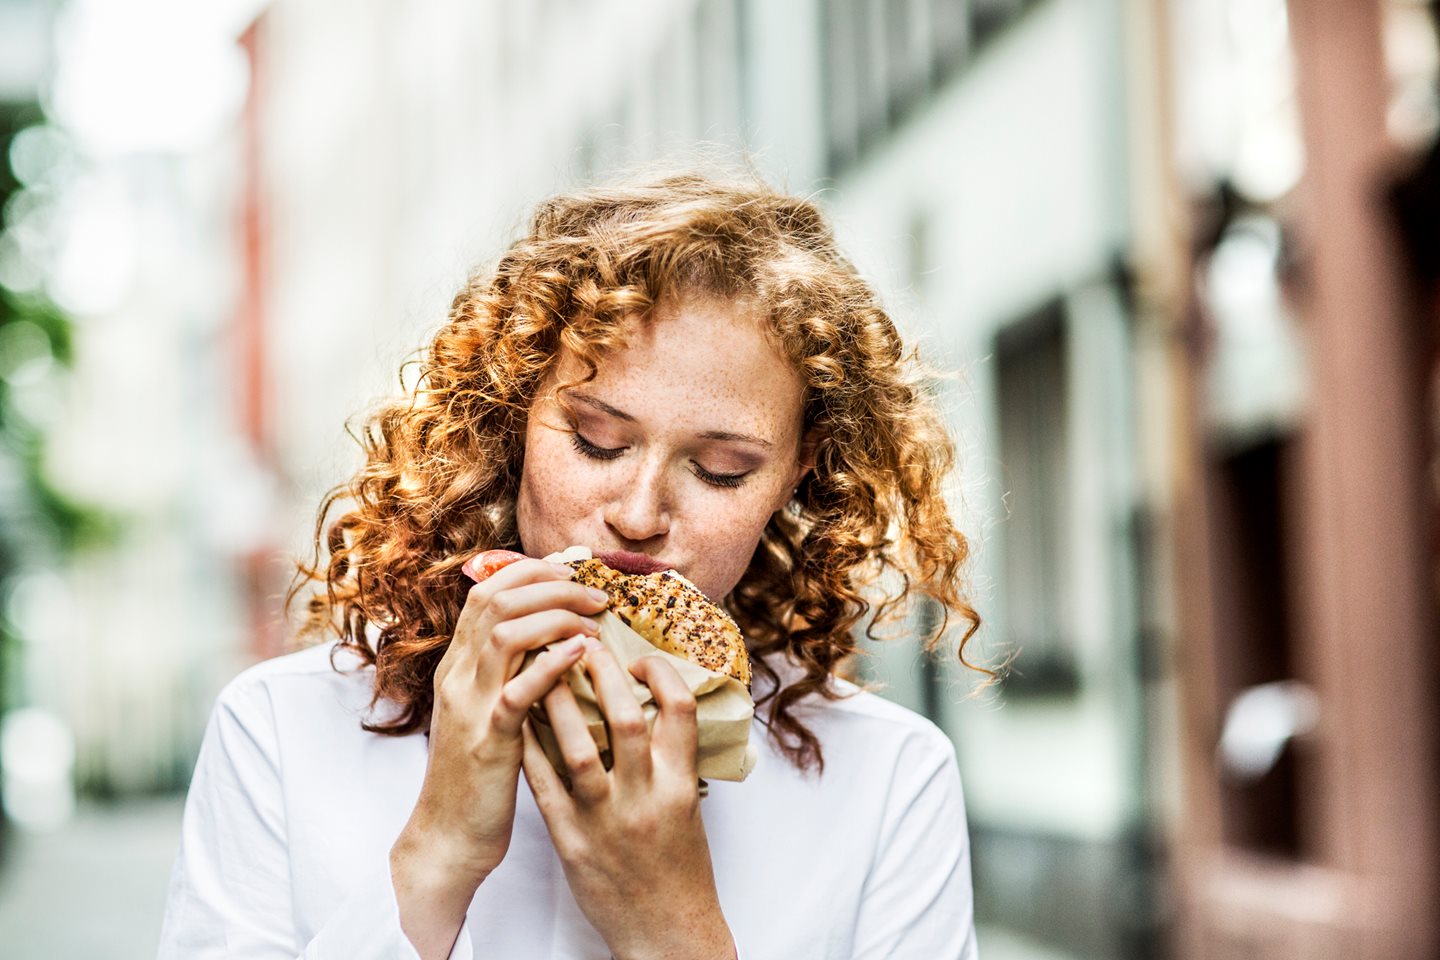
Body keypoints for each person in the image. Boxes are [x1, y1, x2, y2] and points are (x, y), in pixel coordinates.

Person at [157, 170, 991, 959]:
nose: (637, 513)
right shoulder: (284, 730)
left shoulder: (886, 781)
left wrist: (674, 926)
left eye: (722, 469)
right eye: (596, 441)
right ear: (517, 415)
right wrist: (437, 850)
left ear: (797, 472)